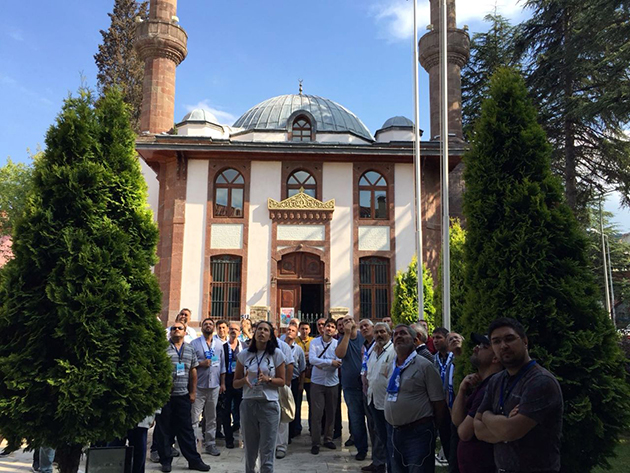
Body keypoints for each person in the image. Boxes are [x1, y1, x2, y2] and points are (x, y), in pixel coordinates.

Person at [474, 318, 563, 473]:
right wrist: (504, 425)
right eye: (496, 342)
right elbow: (477, 429)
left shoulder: (540, 381)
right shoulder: (496, 381)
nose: (503, 346)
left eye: (509, 339)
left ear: (525, 341)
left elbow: (510, 431)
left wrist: (487, 417)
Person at [384, 324, 447, 473]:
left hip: (418, 434)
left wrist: (432, 428)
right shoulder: (392, 366)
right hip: (395, 432)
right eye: (395, 334)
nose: (398, 336)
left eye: (403, 333)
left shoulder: (425, 366)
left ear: (414, 340)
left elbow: (438, 402)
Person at [155, 323, 210, 472]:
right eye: (173, 328)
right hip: (166, 397)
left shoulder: (190, 349)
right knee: (164, 430)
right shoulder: (162, 348)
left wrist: (193, 392)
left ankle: (194, 460)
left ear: (185, 332)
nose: (176, 330)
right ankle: (166, 461)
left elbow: (193, 371)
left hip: (183, 396)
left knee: (186, 430)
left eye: (180, 328)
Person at [233, 320, 286, 473]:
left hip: (269, 404)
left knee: (267, 449)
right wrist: (244, 381)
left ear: (270, 336)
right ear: (254, 333)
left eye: (266, 330)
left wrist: (268, 379)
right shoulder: (244, 355)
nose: (262, 332)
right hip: (249, 404)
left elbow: (282, 381)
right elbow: (235, 383)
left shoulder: (276, 354)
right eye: (259, 329)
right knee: (250, 450)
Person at [451, 333, 502, 473]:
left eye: (483, 347)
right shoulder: (482, 385)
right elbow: (456, 420)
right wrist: (462, 390)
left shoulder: (489, 388)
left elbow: (464, 432)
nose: (475, 349)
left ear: (495, 358)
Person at [191, 318, 226, 456]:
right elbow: (190, 364)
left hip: (214, 385)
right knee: (194, 417)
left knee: (211, 416)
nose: (208, 326)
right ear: (201, 327)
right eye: (205, 324)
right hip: (198, 386)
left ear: (214, 327)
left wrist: (222, 383)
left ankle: (210, 443)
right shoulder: (194, 344)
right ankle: (192, 444)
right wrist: (201, 363)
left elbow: (222, 365)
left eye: (210, 324)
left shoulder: (219, 344)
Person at [365, 322, 395, 473]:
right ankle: (382, 463)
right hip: (373, 399)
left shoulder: (393, 351)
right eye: (376, 332)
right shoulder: (373, 350)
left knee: (389, 438)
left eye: (382, 332)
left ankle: (391, 466)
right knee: (380, 435)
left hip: (386, 402)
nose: (379, 335)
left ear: (389, 333)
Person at [309, 317, 342, 455]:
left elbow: (339, 362)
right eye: (328, 326)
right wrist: (329, 362)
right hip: (317, 382)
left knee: (331, 412)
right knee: (317, 413)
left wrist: (322, 363)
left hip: (332, 382)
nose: (329, 329)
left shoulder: (337, 344)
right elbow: (312, 359)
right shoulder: (314, 342)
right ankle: (315, 442)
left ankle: (328, 439)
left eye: (332, 327)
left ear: (335, 331)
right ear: (323, 328)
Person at [221, 321, 246, 449]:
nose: (233, 331)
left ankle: (245, 437)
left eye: (236, 329)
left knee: (242, 410)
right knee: (226, 411)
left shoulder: (244, 346)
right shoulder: (223, 347)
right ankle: (229, 439)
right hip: (228, 380)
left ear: (240, 332)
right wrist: (222, 383)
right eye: (231, 329)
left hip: (241, 380)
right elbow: (220, 365)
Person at [284, 324, 307, 441]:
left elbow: (302, 368)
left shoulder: (298, 350)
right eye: (288, 329)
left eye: (293, 330)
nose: (290, 332)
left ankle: (292, 431)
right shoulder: (279, 347)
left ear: (296, 333)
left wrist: (301, 384)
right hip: (281, 380)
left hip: (294, 380)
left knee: (293, 407)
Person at [275, 334, 295, 459]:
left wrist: (286, 384)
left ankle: (281, 446)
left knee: (282, 415)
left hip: (280, 386)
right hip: (264, 386)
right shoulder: (258, 346)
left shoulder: (283, 346)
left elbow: (290, 364)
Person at [297, 320, 315, 434]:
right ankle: (297, 428)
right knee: (297, 404)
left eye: (306, 329)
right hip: (298, 377)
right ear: (299, 330)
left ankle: (312, 427)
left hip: (311, 378)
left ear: (309, 330)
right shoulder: (295, 342)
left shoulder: (313, 341)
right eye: (302, 329)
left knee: (312, 405)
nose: (304, 331)